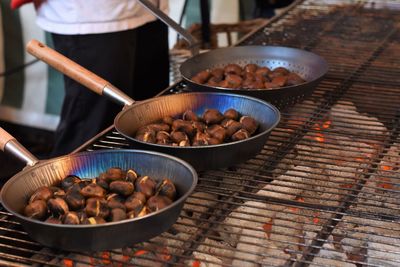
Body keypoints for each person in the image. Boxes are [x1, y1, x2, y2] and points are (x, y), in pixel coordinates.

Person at [12, 0, 170, 157]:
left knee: (151, 116)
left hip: (149, 11)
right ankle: (66, 180)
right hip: (93, 16)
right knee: (93, 128)